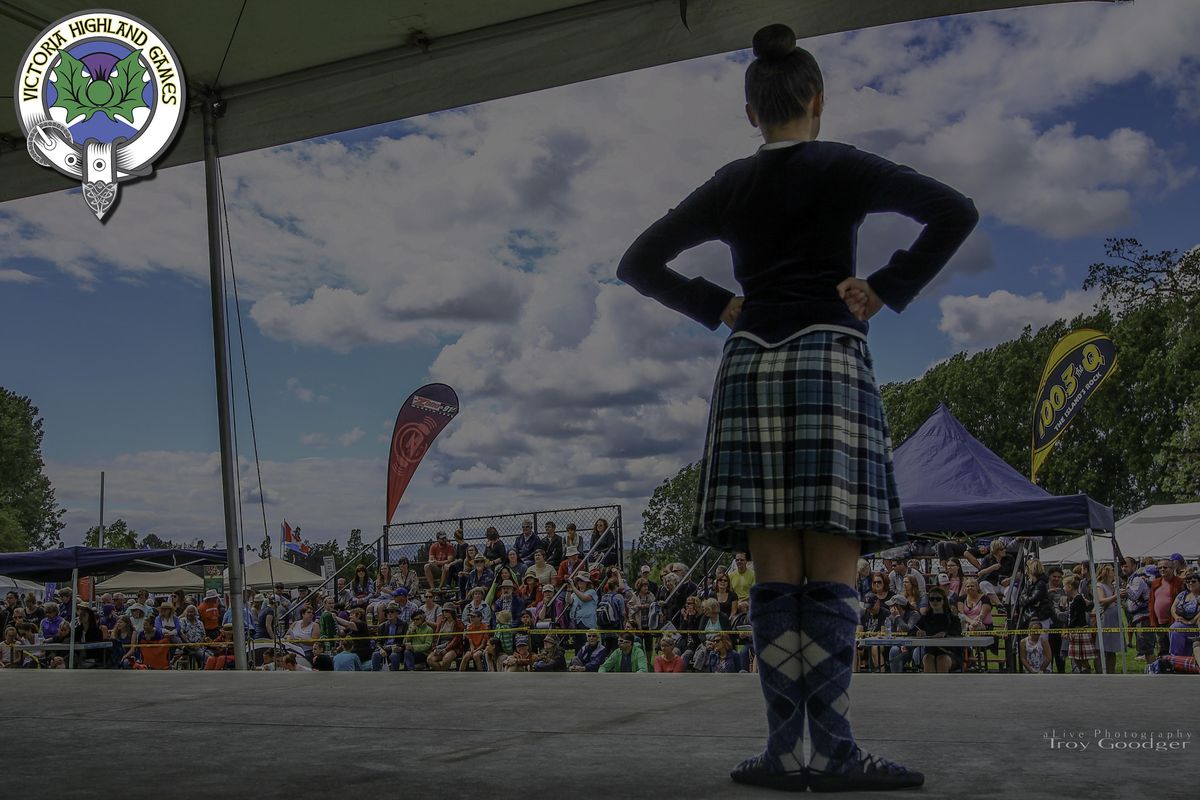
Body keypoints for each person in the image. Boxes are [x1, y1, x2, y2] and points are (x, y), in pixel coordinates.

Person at [911, 587, 962, 674]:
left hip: (950, 652)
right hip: (930, 652)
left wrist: (945, 633)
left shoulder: (952, 618)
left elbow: (957, 631)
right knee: (927, 658)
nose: (934, 601)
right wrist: (917, 632)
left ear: (944, 601)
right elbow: (911, 631)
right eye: (931, 599)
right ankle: (931, 687)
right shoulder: (925, 618)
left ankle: (941, 687)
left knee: (942, 659)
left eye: (938, 599)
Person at [1064, 575, 1099, 674]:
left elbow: (1076, 616)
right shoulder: (1072, 599)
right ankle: (1081, 672)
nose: (1063, 588)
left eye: (1064, 586)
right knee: (1076, 657)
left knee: (1082, 657)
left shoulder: (1078, 599)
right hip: (1074, 630)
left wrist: (1069, 629)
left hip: (1079, 630)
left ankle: (1086, 671)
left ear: (1070, 587)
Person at [1168, 572, 1200, 657]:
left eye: (1193, 581)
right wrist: (1176, 617)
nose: (1190, 583)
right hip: (1181, 623)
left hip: (1196, 626)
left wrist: (1190, 622)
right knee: (1175, 628)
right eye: (1187, 581)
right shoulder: (1183, 594)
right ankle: (1176, 658)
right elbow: (1173, 607)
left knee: (1175, 628)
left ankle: (1176, 657)